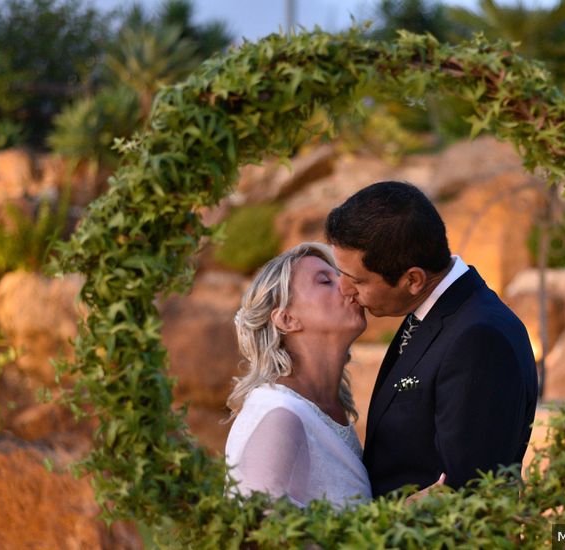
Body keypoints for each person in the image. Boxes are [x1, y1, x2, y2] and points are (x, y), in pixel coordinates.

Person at [325, 181, 538, 497]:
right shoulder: (431, 312)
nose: (343, 289)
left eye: (357, 279)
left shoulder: (478, 337)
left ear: (413, 279)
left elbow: (469, 489)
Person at [224, 242, 371, 507]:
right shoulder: (280, 413)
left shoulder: (326, 409)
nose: (347, 286)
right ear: (287, 319)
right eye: (325, 281)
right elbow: (257, 532)